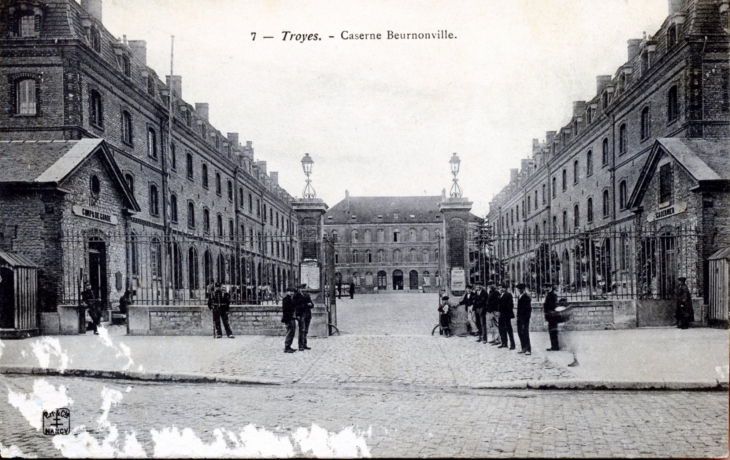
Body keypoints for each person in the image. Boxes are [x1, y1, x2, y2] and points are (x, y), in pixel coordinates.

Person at [295, 284, 314, 351]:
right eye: (302, 288)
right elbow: (296, 306)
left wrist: (311, 304)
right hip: (301, 314)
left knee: (306, 330)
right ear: (299, 289)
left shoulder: (307, 295)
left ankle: (304, 344)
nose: (303, 289)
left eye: (304, 288)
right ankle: (300, 346)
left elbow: (312, 305)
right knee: (302, 330)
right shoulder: (296, 296)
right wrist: (306, 304)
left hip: (308, 314)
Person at [497, 283, 515, 349]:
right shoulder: (499, 295)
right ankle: (504, 343)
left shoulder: (508, 295)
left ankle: (512, 344)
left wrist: (504, 311)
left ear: (505, 288)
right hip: (501, 314)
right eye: (500, 288)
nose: (501, 289)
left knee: (509, 329)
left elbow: (510, 305)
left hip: (506, 315)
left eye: (502, 288)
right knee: (501, 329)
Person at [515, 283, 532, 355]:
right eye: (518, 289)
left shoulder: (526, 297)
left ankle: (528, 349)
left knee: (525, 333)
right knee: (520, 333)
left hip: (524, 319)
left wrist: (525, 318)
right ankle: (523, 348)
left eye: (520, 289)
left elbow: (528, 309)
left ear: (523, 289)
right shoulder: (520, 297)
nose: (519, 290)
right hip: (520, 318)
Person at [544, 283, 560, 351]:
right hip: (550, 315)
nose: (545, 289)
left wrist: (549, 312)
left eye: (546, 287)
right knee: (552, 331)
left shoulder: (552, 295)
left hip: (552, 315)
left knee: (553, 331)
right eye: (545, 287)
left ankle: (555, 346)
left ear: (550, 287)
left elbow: (553, 305)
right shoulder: (549, 294)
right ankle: (553, 346)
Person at [281, 286, 298, 353]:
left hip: (291, 318)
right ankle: (287, 347)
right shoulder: (286, 299)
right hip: (289, 318)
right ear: (287, 292)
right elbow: (286, 310)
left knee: (292, 332)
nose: (292, 293)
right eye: (290, 291)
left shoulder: (291, 299)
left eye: (293, 292)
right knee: (290, 332)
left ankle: (289, 346)